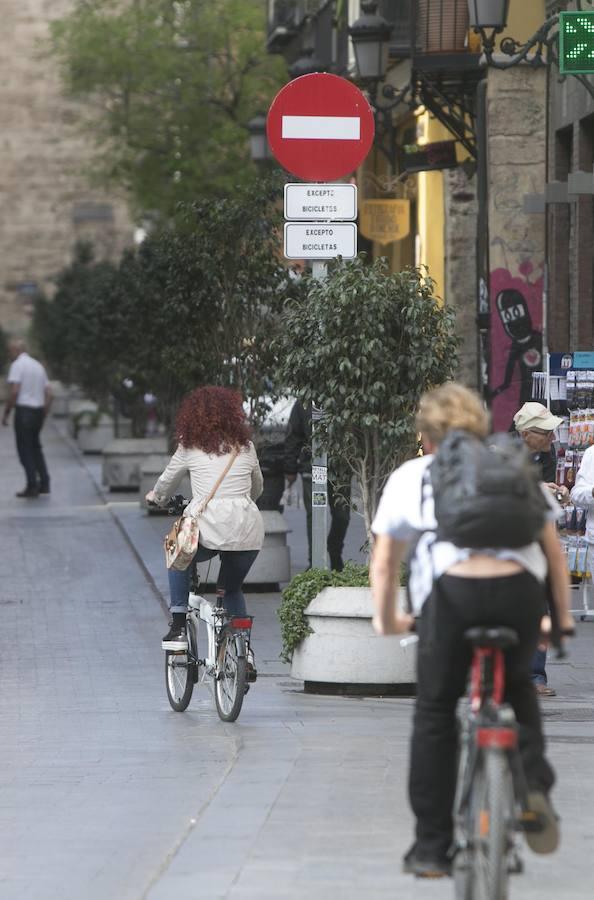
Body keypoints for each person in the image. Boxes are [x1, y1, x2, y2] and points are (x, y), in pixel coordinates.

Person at [370, 383, 573, 878]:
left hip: (451, 598)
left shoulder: (412, 476)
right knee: (519, 685)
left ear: (427, 432)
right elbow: (553, 552)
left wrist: (388, 618)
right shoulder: (513, 466)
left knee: (436, 711)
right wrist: (560, 619)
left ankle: (433, 847)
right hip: (519, 596)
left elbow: (384, 562)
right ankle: (534, 790)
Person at [145, 386, 264, 653]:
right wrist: (240, 502)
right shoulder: (246, 447)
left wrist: (157, 497)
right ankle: (245, 653)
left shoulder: (189, 447)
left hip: (208, 528)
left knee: (177, 553)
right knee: (231, 590)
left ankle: (177, 627)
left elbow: (166, 482)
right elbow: (257, 489)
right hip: (248, 529)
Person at [513, 401, 568, 698]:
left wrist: (558, 494)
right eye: (545, 432)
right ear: (524, 434)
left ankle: (535, 676)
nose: (551, 438)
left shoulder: (549, 455)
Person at [284, 399, 351, 570]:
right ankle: (314, 561)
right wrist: (290, 467)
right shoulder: (304, 403)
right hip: (311, 468)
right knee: (314, 515)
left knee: (342, 515)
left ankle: (334, 549)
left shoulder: (345, 397)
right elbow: (293, 436)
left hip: (341, 468)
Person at [2, 339, 52, 497]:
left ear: (17, 350)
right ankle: (45, 483)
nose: (9, 354)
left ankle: (32, 485)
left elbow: (15, 391)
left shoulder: (17, 365)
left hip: (24, 412)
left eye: (10, 351)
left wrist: (6, 413)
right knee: (36, 447)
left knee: (25, 449)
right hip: (37, 411)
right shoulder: (38, 366)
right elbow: (50, 394)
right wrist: (43, 413)